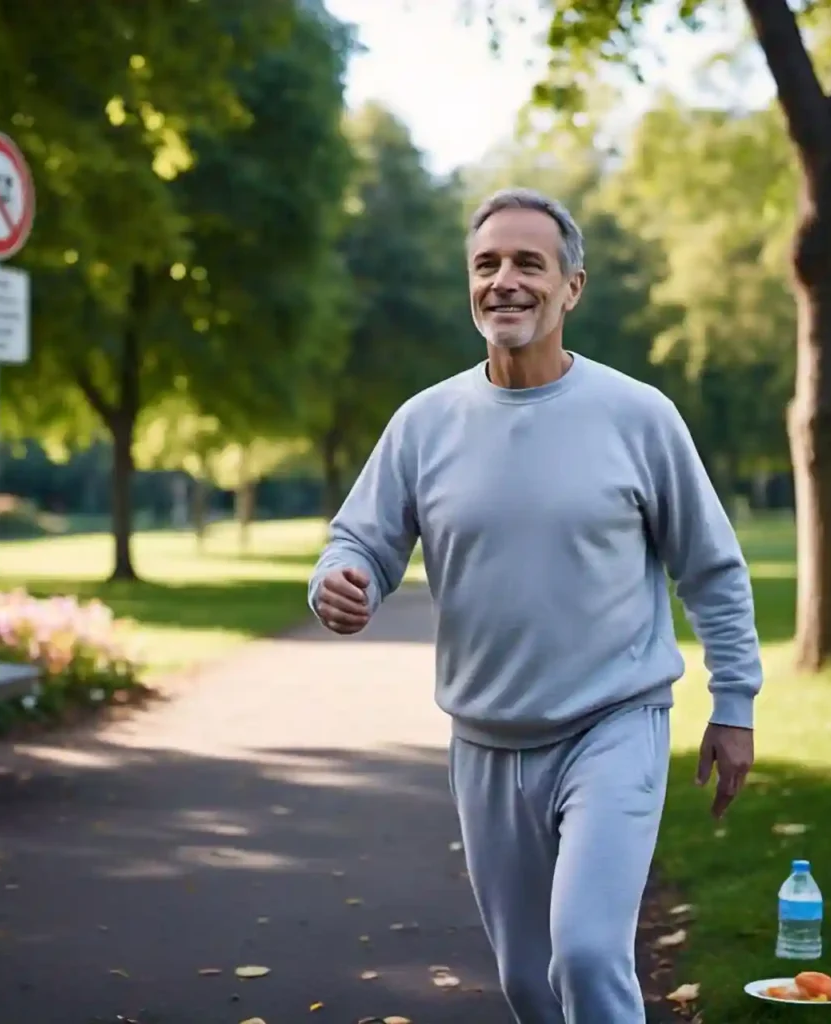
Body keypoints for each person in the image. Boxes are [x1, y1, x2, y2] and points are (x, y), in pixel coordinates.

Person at [307, 186, 763, 1024]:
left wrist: (733, 703)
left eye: (528, 263)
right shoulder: (424, 423)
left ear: (572, 287)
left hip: (613, 722)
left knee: (587, 956)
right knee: (528, 982)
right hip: (486, 739)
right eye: (487, 264)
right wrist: (342, 580)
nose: (504, 281)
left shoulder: (638, 416)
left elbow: (712, 568)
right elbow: (360, 542)